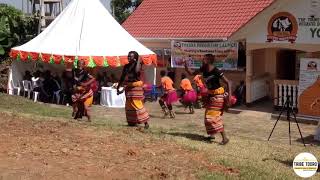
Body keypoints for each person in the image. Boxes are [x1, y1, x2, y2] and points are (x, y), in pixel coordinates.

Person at [184, 54, 231, 145]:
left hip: (218, 96)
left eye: (204, 58)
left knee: (212, 117)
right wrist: (185, 65)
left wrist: (228, 98)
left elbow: (228, 82)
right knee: (207, 117)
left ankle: (225, 138)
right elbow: (191, 73)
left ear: (209, 60)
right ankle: (212, 135)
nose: (202, 59)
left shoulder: (216, 70)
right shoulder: (203, 68)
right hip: (211, 96)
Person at [117, 51, 150, 129]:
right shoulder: (126, 66)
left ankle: (146, 122)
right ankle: (132, 122)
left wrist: (138, 60)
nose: (128, 58)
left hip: (136, 88)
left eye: (130, 56)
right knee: (128, 105)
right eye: (128, 56)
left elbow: (136, 71)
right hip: (128, 87)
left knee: (137, 104)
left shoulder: (138, 65)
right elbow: (122, 77)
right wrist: (118, 86)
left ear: (135, 58)